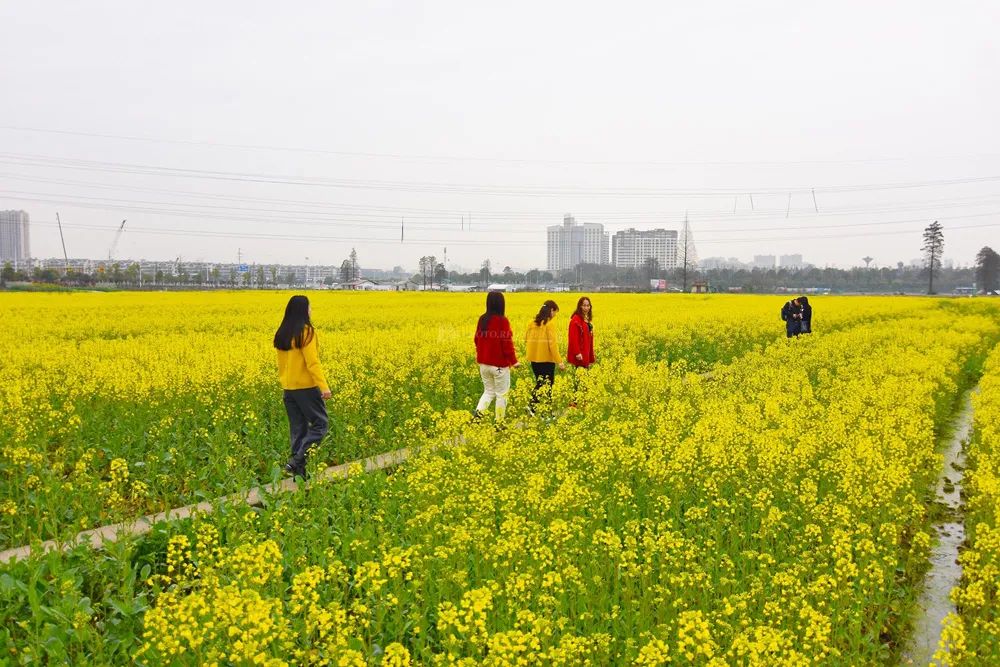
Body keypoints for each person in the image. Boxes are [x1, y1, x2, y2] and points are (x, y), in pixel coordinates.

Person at [274, 295, 331, 480]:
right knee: (320, 424)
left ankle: (299, 475)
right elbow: (312, 362)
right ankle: (297, 460)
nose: (311, 310)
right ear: (303, 310)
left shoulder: (283, 333)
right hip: (306, 387)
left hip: (288, 388)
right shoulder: (306, 332)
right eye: (309, 307)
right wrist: (324, 387)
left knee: (298, 429)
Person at [474, 291, 518, 422]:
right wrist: (514, 361)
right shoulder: (502, 321)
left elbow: (476, 339)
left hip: (484, 364)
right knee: (501, 395)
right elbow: (506, 343)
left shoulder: (482, 319)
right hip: (499, 365)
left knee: (488, 392)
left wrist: (484, 352)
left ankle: (477, 417)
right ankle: (499, 422)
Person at [525, 299, 565, 415]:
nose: (555, 315)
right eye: (555, 312)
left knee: (540, 383)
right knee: (547, 386)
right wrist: (559, 361)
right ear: (551, 310)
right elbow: (553, 345)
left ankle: (533, 407)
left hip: (534, 360)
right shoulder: (549, 324)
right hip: (546, 360)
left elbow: (526, 339)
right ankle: (545, 412)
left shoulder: (531, 323)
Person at [567, 296, 595, 369]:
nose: (586, 308)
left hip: (586, 351)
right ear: (580, 306)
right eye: (584, 306)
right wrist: (577, 353)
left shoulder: (586, 318)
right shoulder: (575, 320)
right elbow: (573, 338)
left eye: (588, 306)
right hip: (580, 354)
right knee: (580, 373)